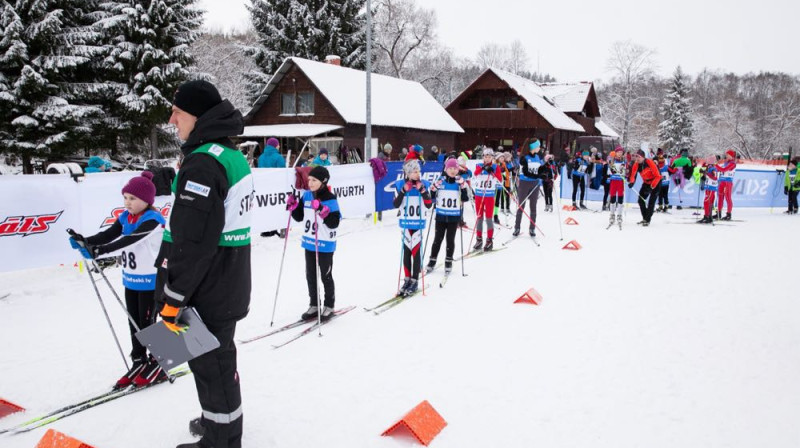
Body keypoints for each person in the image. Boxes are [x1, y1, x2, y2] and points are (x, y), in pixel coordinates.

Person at [158, 79, 251, 448]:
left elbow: (194, 243)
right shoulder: (225, 154)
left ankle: (221, 439)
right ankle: (219, 424)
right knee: (216, 362)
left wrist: (172, 295)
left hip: (207, 284)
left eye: (177, 112)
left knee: (212, 366)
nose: (171, 119)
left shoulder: (205, 162)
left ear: (195, 115)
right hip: (225, 279)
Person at [68, 172, 166, 388]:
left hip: (151, 280)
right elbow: (108, 235)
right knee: (133, 323)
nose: (127, 202)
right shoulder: (125, 217)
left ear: (147, 201)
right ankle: (139, 361)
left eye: (133, 198)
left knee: (148, 324)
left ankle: (158, 363)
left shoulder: (153, 220)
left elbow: (128, 241)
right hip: (131, 279)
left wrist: (98, 251)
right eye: (125, 197)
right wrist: (85, 242)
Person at [287, 166, 341, 320]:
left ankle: (329, 305)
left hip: (325, 244)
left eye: (313, 180)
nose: (309, 183)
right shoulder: (307, 196)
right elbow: (299, 217)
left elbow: (334, 223)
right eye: (309, 179)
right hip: (310, 242)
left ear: (323, 182)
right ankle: (314, 305)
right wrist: (293, 206)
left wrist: (323, 210)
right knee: (310, 275)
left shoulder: (330, 198)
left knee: (326, 275)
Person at [393, 160, 432, 296]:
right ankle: (407, 280)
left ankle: (415, 280)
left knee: (416, 252)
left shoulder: (424, 184)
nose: (418, 174)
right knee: (406, 252)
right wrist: (404, 191)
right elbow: (396, 204)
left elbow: (428, 205)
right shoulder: (399, 185)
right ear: (408, 173)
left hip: (418, 224)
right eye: (415, 171)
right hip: (406, 224)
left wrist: (422, 191)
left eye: (418, 171)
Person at [426, 159, 469, 275]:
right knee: (437, 239)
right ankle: (432, 260)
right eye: (450, 168)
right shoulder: (441, 180)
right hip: (440, 216)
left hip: (453, 217)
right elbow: (432, 196)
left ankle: (448, 261)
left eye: (455, 168)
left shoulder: (459, 182)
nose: (452, 171)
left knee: (450, 240)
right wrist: (434, 188)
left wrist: (463, 187)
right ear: (446, 169)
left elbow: (465, 198)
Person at [472, 149, 503, 251]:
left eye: (489, 157)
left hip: (489, 196)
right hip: (479, 195)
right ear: (483, 157)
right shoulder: (478, 165)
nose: (487, 158)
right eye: (485, 156)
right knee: (479, 218)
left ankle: (489, 240)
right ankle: (479, 239)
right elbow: (475, 174)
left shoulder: (496, 167)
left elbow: (499, 179)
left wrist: (492, 172)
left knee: (489, 218)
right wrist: (483, 168)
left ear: (492, 158)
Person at [515, 139, 544, 237]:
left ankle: (532, 228)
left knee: (533, 207)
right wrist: (537, 176)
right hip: (524, 183)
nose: (539, 148)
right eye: (538, 146)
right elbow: (526, 172)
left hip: (535, 184)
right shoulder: (524, 158)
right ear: (533, 147)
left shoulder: (538, 157)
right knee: (521, 206)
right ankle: (517, 227)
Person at [627, 149, 661, 226]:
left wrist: (651, 187)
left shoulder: (649, 162)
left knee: (651, 202)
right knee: (640, 200)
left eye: (639, 157)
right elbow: (633, 174)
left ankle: (647, 220)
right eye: (636, 156)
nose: (637, 158)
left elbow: (658, 176)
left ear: (643, 157)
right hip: (646, 183)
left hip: (656, 182)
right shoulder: (636, 164)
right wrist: (632, 182)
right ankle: (645, 218)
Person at [607, 151, 627, 227]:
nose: (619, 154)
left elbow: (625, 171)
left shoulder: (624, 161)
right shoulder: (612, 160)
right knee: (612, 198)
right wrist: (612, 168)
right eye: (618, 152)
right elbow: (610, 171)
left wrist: (625, 174)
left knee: (620, 198)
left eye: (621, 152)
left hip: (620, 181)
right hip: (613, 181)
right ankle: (612, 215)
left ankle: (619, 215)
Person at [715, 150, 737, 220]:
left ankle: (728, 214)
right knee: (720, 197)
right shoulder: (725, 162)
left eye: (728, 155)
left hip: (728, 182)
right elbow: (718, 169)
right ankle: (719, 213)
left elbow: (724, 170)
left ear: (732, 156)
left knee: (728, 197)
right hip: (722, 181)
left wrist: (716, 165)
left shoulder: (733, 163)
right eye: (726, 154)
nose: (726, 156)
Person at [697, 157, 719, 224]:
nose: (707, 162)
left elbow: (715, 178)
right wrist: (703, 173)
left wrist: (706, 173)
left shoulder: (714, 168)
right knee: (706, 202)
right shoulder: (709, 167)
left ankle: (708, 217)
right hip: (708, 186)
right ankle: (707, 216)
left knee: (707, 202)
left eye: (709, 161)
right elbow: (706, 176)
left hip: (711, 187)